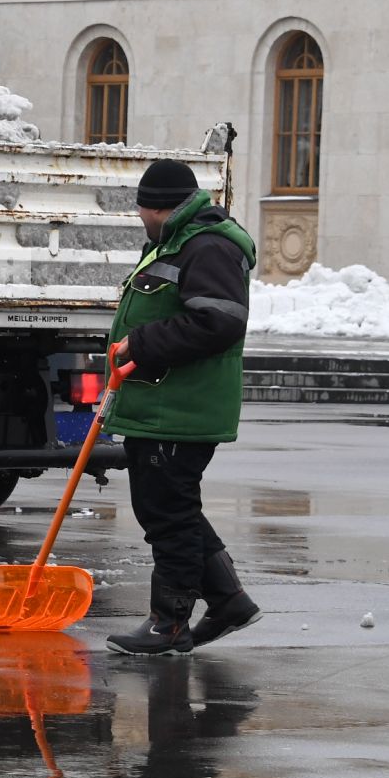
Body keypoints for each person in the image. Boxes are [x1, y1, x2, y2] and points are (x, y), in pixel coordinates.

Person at [102, 159, 262, 656]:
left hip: (181, 407)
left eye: (142, 210)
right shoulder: (176, 243)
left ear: (157, 208)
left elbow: (220, 322)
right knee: (168, 507)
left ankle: (167, 623)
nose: (141, 219)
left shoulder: (208, 246)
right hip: (159, 403)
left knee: (168, 514)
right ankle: (228, 600)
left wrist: (142, 342)